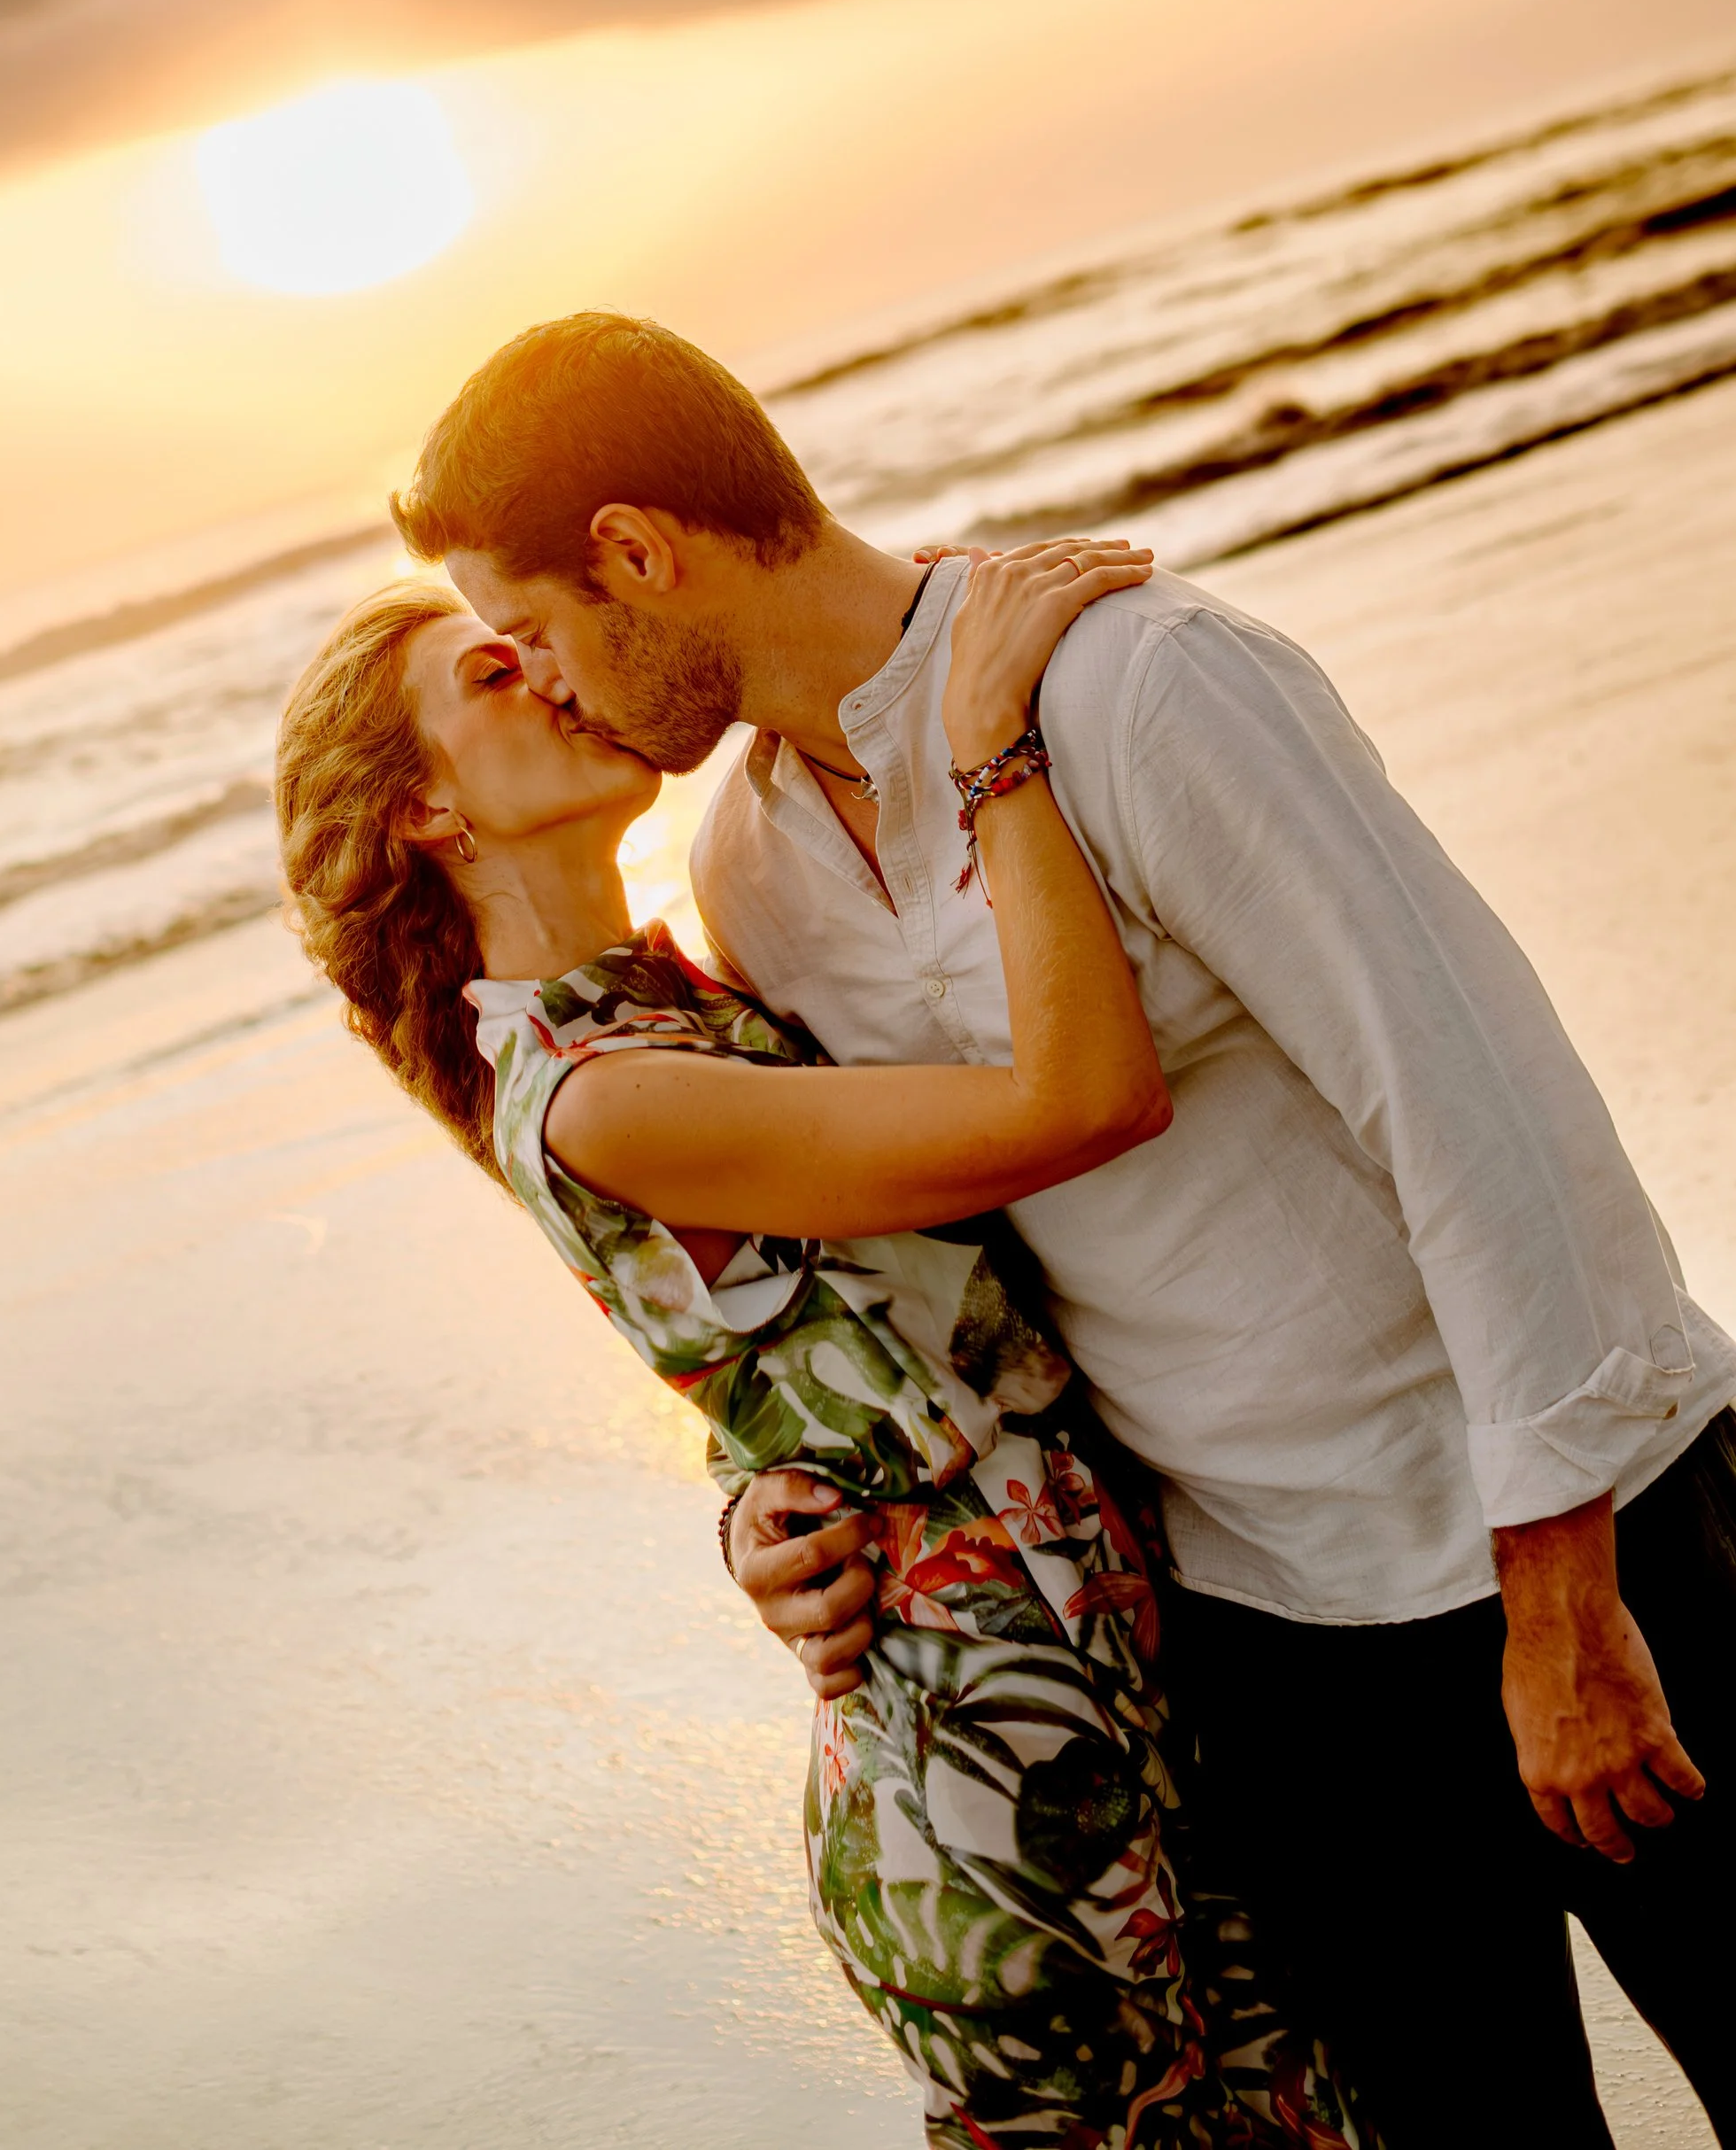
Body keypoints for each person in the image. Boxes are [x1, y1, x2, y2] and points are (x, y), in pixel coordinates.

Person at [390, 308, 1736, 2150]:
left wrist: (1560, 1591)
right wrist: (771, 1515)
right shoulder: (748, 873)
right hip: (1268, 1640)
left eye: (532, 626)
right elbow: (880, 1277)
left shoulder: (1137, 685)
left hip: (1590, 1552)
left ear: (634, 551)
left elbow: (1476, 1107)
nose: (542, 677)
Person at [274, 547, 1371, 2149]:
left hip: (1089, 1657)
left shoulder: (664, 997)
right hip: (991, 1770)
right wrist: (987, 740)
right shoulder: (604, 1089)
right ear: (428, 813)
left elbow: (783, 1340)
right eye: (492, 672)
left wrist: (749, 1499)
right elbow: (1080, 1100)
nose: (551, 669)